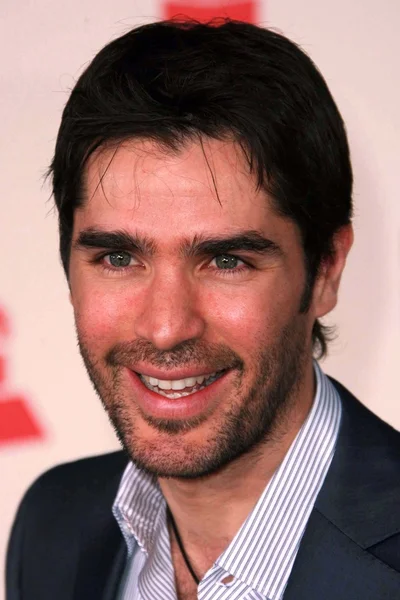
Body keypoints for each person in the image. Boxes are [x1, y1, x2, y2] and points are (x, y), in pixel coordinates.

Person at [6, 18, 400, 600]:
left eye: (226, 261)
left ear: (325, 271)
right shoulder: (54, 524)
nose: (166, 328)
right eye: (118, 257)